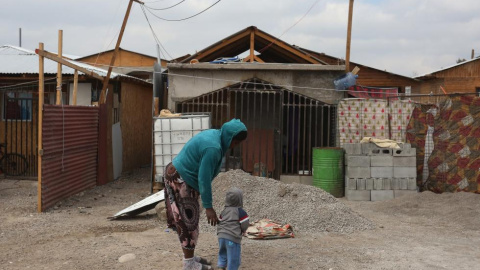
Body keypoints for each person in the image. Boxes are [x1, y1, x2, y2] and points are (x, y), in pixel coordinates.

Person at [163, 119, 248, 270]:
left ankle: (190, 258)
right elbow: (204, 178)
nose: (234, 146)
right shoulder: (213, 148)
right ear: (229, 137)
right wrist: (209, 207)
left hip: (180, 175)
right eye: (235, 142)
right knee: (188, 224)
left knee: (190, 221)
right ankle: (189, 264)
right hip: (180, 179)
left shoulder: (216, 136)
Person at [216, 187, 249, 270]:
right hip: (232, 238)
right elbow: (245, 223)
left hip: (221, 237)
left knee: (223, 253)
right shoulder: (240, 211)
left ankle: (221, 266)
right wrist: (243, 230)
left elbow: (220, 221)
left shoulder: (224, 211)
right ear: (240, 199)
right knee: (233, 258)